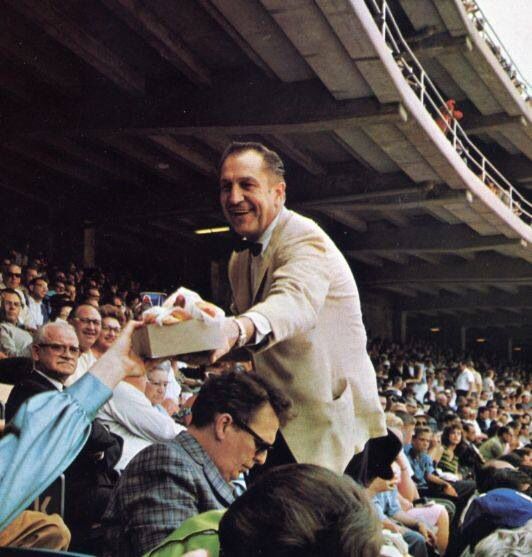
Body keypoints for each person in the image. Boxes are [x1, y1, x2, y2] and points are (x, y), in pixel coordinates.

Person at [212, 141, 386, 475]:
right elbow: (255, 340)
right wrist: (198, 342)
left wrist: (235, 328)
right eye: (226, 187)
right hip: (276, 424)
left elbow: (293, 304)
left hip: (324, 430)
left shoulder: (305, 238)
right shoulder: (238, 260)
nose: (234, 198)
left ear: (278, 193)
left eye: (247, 185)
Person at [102, 371, 292, 557]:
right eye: (260, 445)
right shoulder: (166, 463)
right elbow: (173, 552)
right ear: (224, 424)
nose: (262, 458)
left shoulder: (194, 470)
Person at [0, 320, 145, 540]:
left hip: (88, 483)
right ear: (37, 352)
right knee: (140, 502)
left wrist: (100, 445)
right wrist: (100, 444)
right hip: (62, 493)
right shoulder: (32, 389)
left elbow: (106, 439)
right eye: (58, 347)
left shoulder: (63, 392)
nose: (68, 354)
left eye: (73, 349)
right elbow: (96, 437)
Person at [66, 303, 102, 385]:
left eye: (96, 322)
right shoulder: (57, 354)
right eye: (86, 321)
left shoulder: (93, 361)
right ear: (70, 323)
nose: (91, 327)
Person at [0, 289, 33, 358]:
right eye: (8, 303)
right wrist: (36, 344)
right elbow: (12, 357)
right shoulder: (2, 328)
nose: (12, 307)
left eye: (16, 304)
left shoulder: (26, 328)